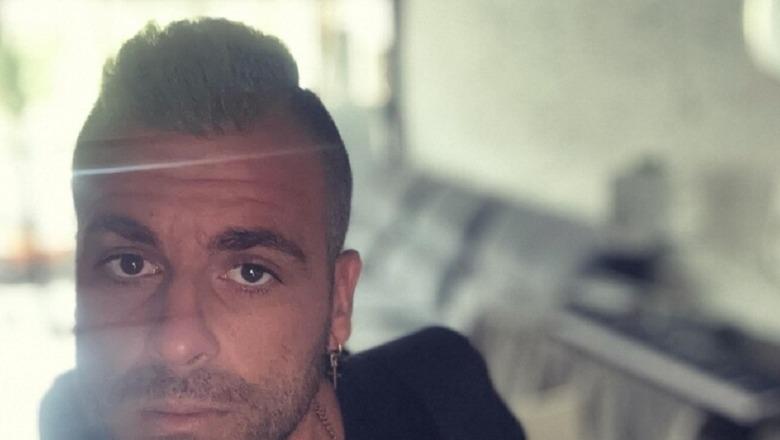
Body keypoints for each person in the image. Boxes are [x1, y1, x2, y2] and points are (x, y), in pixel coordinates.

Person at [39, 18, 525, 440]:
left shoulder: (441, 401)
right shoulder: (74, 417)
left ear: (339, 302)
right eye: (129, 264)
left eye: (251, 273)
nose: (176, 344)